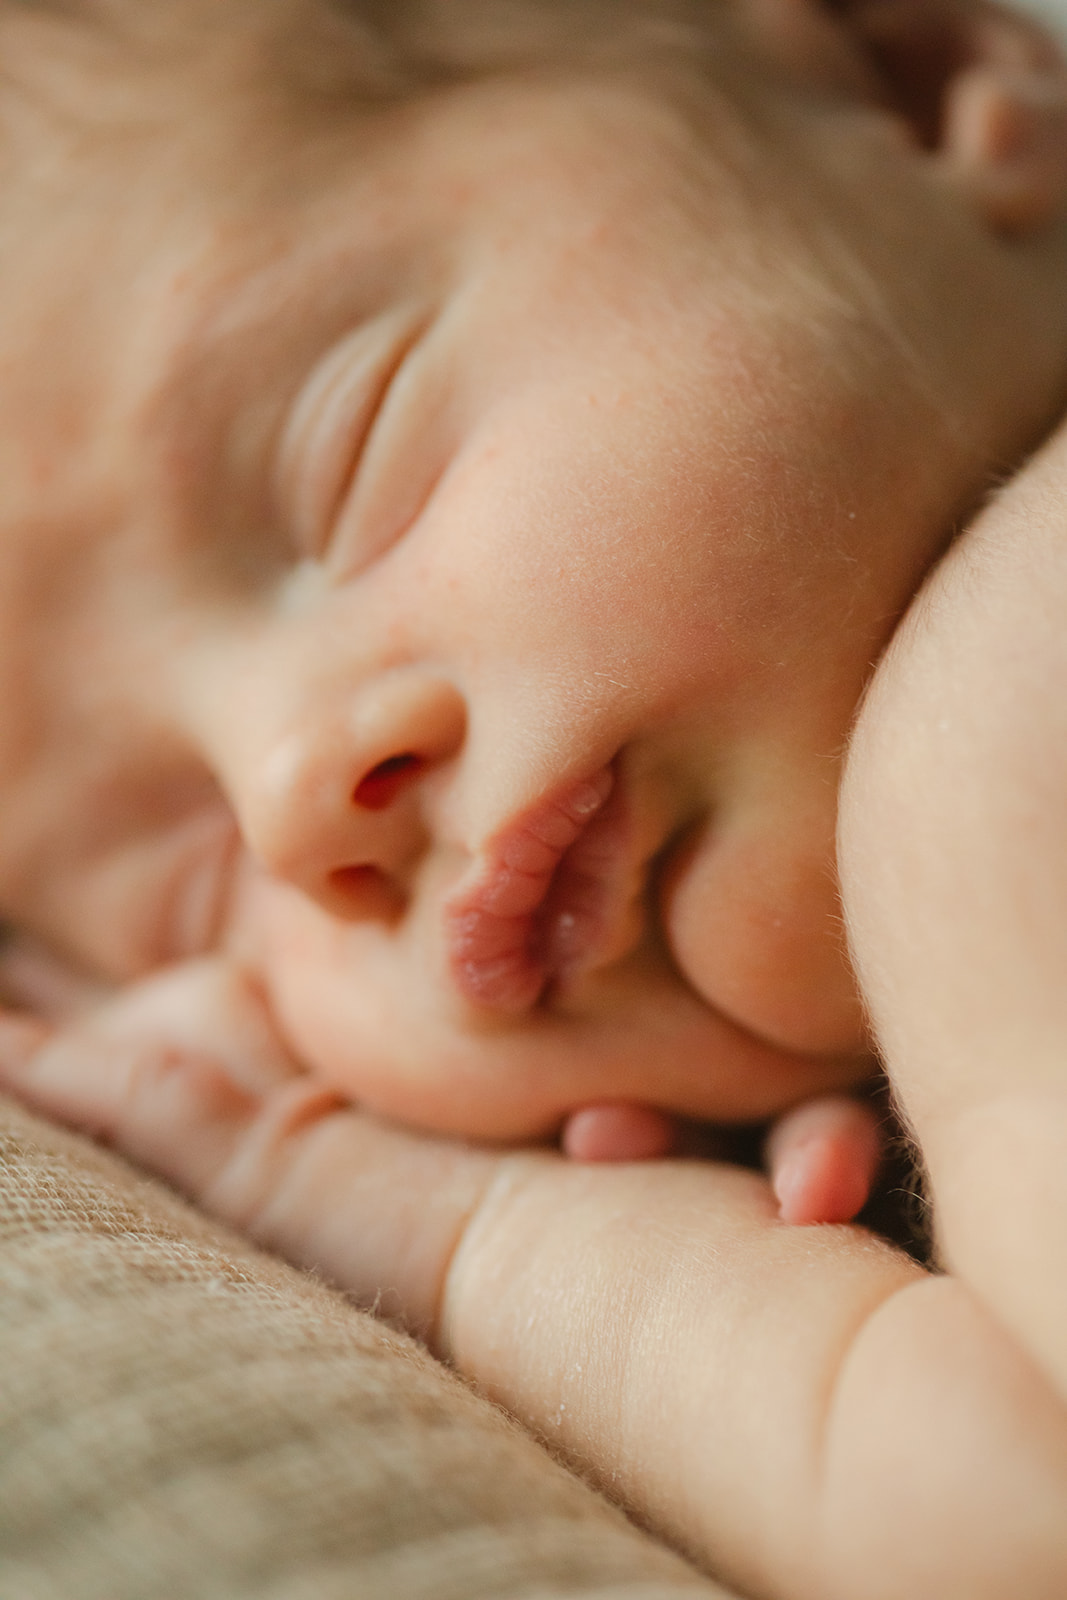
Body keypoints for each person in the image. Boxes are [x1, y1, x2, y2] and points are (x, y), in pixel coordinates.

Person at [1, 0, 1067, 1587]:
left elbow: (1006, 1517)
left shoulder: (998, 701)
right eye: (196, 892)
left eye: (343, 462)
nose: (295, 799)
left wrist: (438, 1227)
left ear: (914, 83)